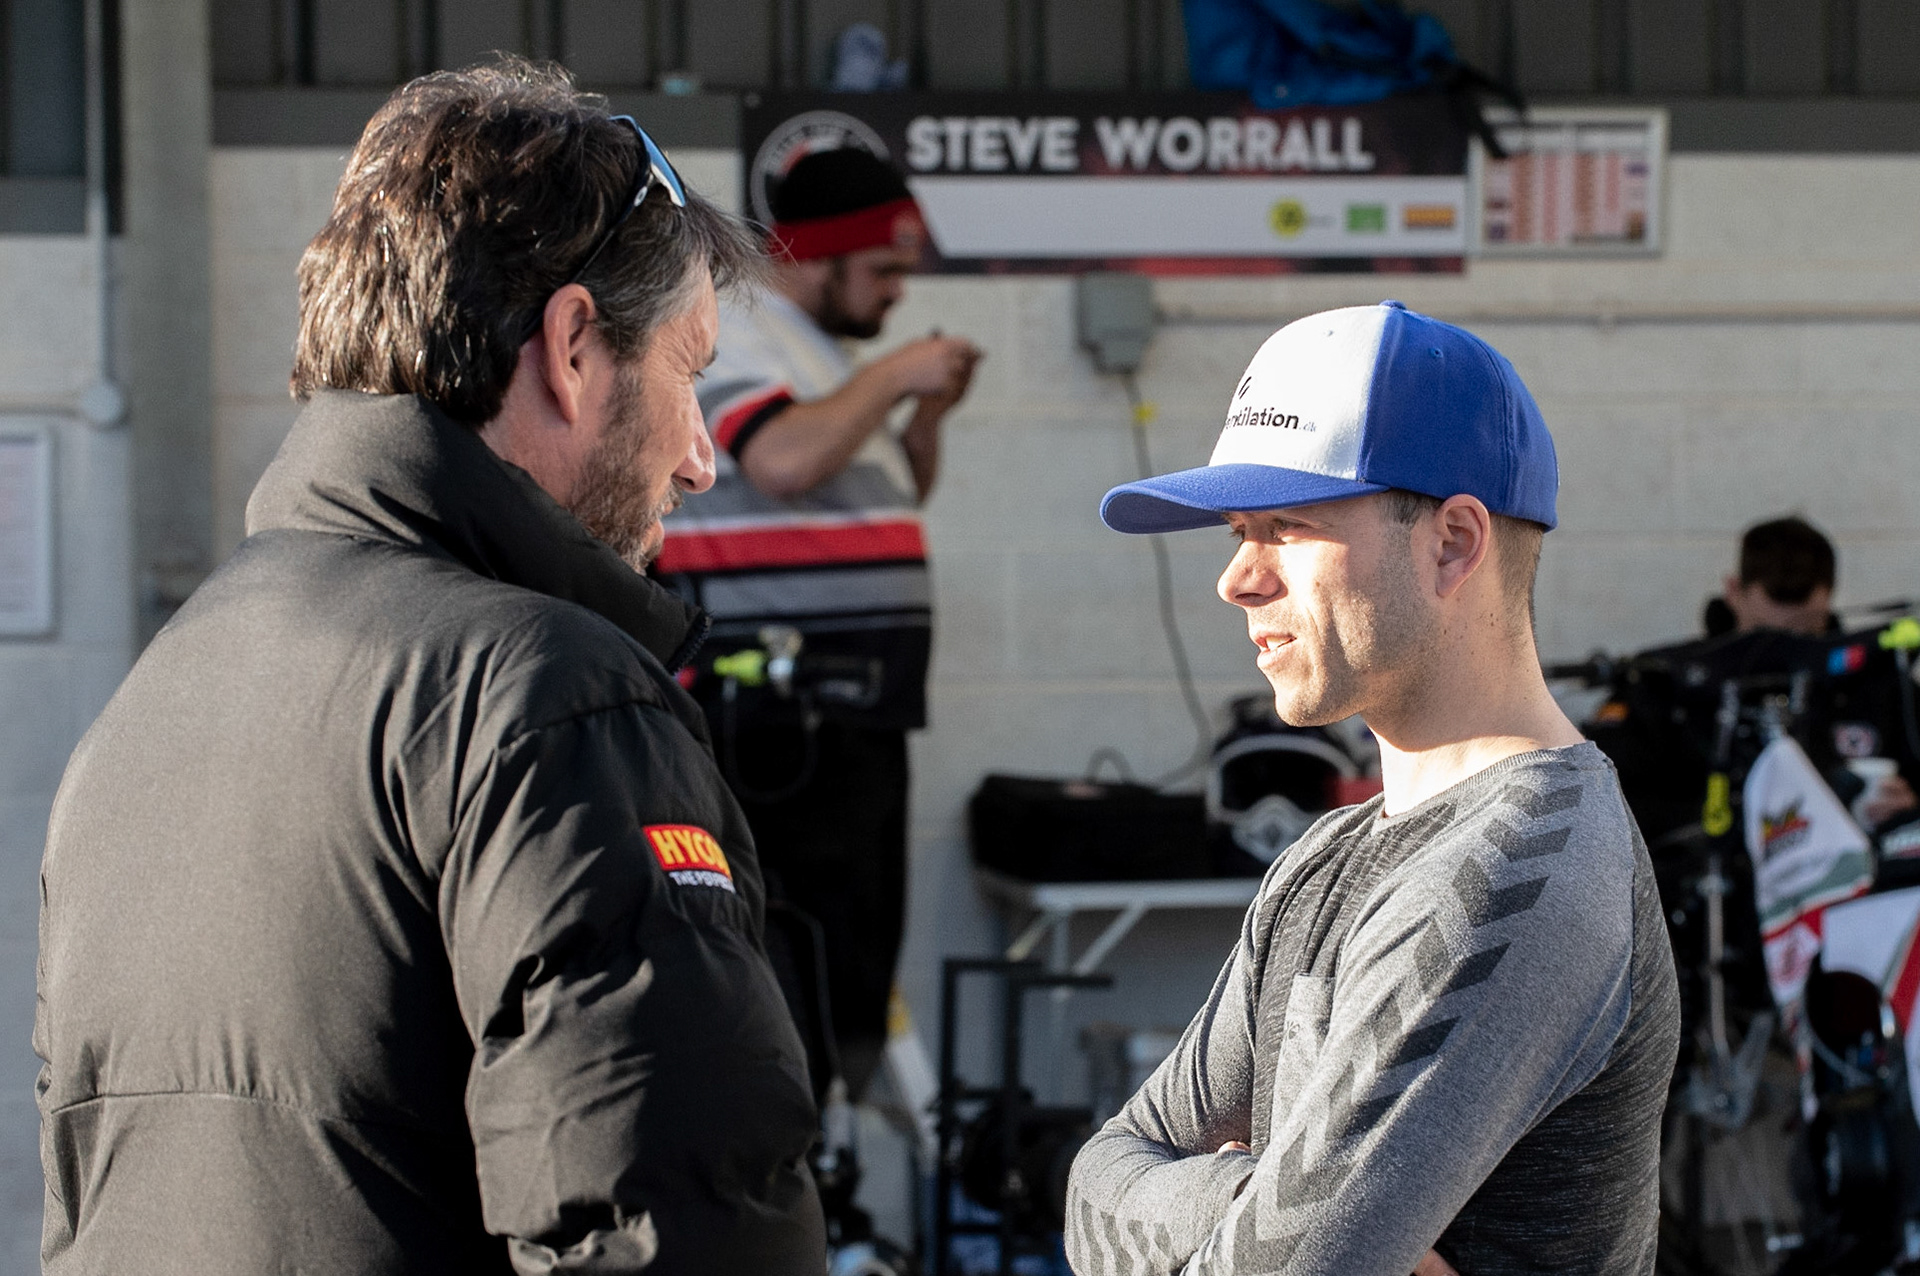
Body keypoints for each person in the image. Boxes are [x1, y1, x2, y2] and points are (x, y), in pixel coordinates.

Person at [35, 61, 823, 1275]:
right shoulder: (547, 699)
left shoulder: (151, 702)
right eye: (689, 373)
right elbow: (676, 1228)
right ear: (571, 347)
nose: (701, 457)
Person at [1064, 300, 1680, 1276]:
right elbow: (1091, 1187)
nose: (1236, 577)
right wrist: (1245, 1197)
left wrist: (1226, 1217)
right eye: (1236, 529)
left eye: (1288, 526)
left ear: (1453, 541)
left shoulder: (1516, 866)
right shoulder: (1328, 855)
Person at [654, 147, 979, 1097]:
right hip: (779, 722)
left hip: (850, 717)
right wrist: (895, 376)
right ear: (820, 256)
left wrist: (924, 417)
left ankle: (831, 1157)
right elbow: (786, 463)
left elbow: (883, 491)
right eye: (881, 270)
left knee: (852, 960)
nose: (893, 296)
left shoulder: (823, 359)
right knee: (793, 966)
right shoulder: (745, 336)